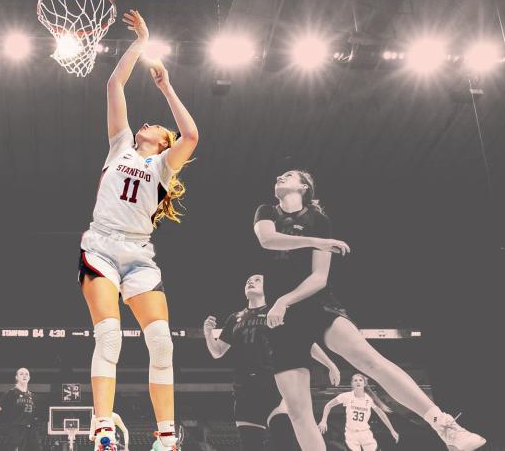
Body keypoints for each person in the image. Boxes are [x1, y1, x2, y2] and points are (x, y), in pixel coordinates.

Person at [253, 170, 485, 451]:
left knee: (370, 360)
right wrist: (319, 243)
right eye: (279, 174)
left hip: (315, 305)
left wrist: (285, 299)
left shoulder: (318, 220)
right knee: (298, 412)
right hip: (282, 319)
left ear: (304, 187)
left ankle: (446, 426)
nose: (279, 176)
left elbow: (319, 278)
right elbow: (268, 240)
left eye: (288, 175)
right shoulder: (266, 211)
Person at [78, 10, 198, 451]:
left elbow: (191, 133)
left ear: (162, 141)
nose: (146, 124)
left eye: (156, 127)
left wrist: (166, 87)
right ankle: (103, 429)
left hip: (139, 255)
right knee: (109, 335)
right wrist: (140, 42)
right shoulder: (120, 146)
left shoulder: (164, 164)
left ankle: (166, 438)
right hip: (101, 249)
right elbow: (114, 86)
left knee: (162, 344)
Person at [204, 274, 341, 451]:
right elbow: (217, 352)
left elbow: (304, 343)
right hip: (244, 390)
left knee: (284, 442)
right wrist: (208, 334)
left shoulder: (277, 311)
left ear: (267, 287)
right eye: (247, 281)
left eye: (257, 280)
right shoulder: (234, 318)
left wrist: (330, 364)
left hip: (274, 385)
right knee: (251, 446)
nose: (250, 282)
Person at [318, 373, 398, 450]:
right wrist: (323, 421)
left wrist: (392, 430)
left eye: (360, 380)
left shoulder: (369, 399)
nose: (358, 382)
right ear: (352, 384)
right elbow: (328, 405)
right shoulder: (346, 396)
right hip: (351, 434)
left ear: (364, 384)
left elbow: (381, 414)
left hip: (365, 433)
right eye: (355, 380)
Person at [0, 368, 39, 451]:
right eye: (21, 374)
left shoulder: (32, 396)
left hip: (31, 432)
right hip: (16, 432)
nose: (24, 375)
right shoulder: (11, 393)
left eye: (26, 374)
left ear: (29, 378)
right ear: (16, 377)